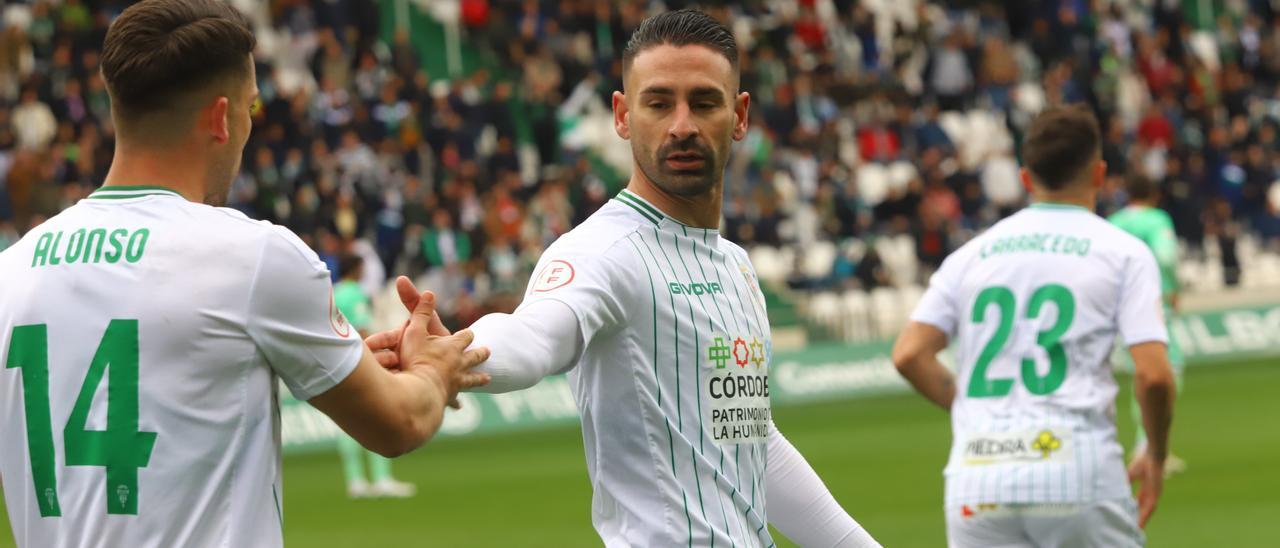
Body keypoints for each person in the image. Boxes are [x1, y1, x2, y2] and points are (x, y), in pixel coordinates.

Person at [0, 2, 488, 547]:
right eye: (251, 106)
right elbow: (399, 423)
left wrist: (331, 363)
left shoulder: (13, 270)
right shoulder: (251, 256)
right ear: (220, 117)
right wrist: (432, 371)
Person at [400, 10, 879, 547]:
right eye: (658, 103)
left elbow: (752, 441)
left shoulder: (736, 267)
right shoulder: (602, 251)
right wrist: (456, 351)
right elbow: (535, 335)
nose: (681, 125)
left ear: (739, 115)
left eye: (703, 102)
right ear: (623, 116)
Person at [892, 105, 1176, 548]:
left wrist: (974, 412)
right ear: (1099, 174)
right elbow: (1154, 374)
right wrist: (1155, 455)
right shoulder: (1123, 252)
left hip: (977, 480)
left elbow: (909, 353)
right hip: (1075, 472)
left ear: (1026, 179)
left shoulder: (971, 255)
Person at [1109, 174, 1187, 476]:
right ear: (1154, 195)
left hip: (1118, 304)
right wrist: (1173, 287)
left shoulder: (1113, 222)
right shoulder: (1157, 220)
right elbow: (1167, 255)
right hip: (1154, 303)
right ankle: (1151, 448)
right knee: (1168, 369)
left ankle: (1141, 445)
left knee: (1138, 371)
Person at [332, 255, 417, 498]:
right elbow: (362, 329)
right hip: (358, 361)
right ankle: (381, 478)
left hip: (337, 361)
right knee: (375, 415)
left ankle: (355, 480)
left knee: (346, 422)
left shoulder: (333, 292)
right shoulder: (355, 293)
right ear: (356, 270)